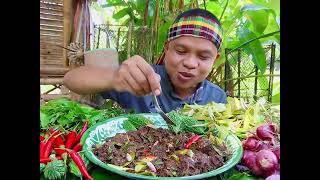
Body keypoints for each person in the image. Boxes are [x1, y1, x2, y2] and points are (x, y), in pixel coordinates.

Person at [63, 8, 227, 113]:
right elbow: (71, 79)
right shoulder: (140, 77)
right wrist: (114, 77)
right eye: (181, 51)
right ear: (167, 48)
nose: (190, 63)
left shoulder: (217, 98)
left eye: (203, 57)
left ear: (215, 59)